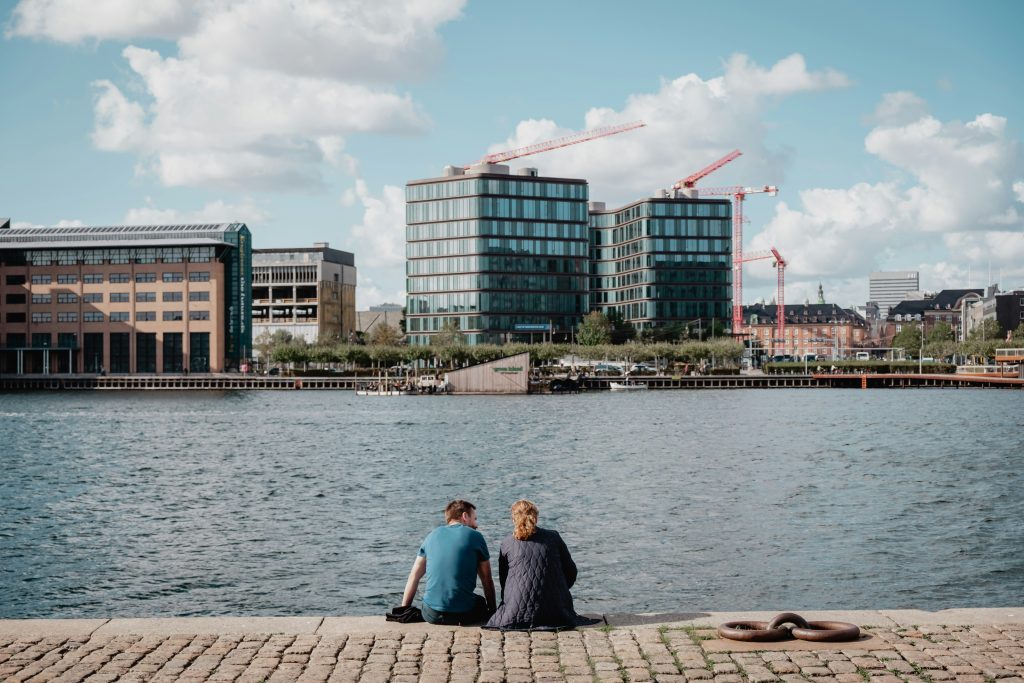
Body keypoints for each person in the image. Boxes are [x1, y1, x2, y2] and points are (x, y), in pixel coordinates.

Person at [485, 499, 597, 631]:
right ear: (536, 518)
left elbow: (505, 580)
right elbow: (571, 571)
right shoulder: (554, 537)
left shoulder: (507, 543)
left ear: (513, 519)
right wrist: (558, 589)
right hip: (557, 610)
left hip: (515, 611)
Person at [401, 499, 496, 625]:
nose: (476, 524)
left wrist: (403, 610)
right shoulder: (475, 536)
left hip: (431, 614)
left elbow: (414, 576)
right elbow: (487, 580)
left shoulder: (431, 536)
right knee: (480, 602)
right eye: (475, 518)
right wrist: (494, 612)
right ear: (465, 516)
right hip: (463, 614)